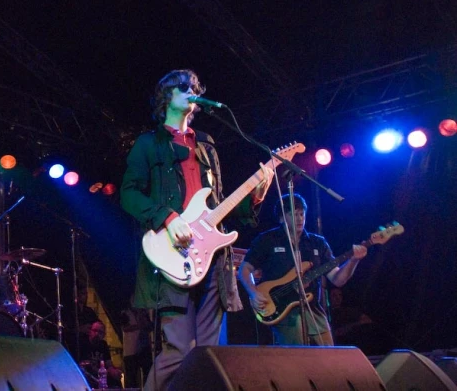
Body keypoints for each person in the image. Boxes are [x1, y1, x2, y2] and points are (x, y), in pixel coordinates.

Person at [121, 69, 272, 391]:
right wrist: (168, 218)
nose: (191, 91)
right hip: (171, 256)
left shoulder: (206, 145)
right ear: (166, 97)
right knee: (178, 351)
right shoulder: (148, 144)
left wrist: (255, 197)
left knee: (209, 353)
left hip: (212, 257)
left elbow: (217, 205)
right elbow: (130, 194)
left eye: (194, 87)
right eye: (183, 87)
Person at [239, 193, 367, 346]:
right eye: (294, 213)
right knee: (298, 356)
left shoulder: (317, 243)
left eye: (302, 214)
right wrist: (253, 292)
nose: (300, 218)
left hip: (313, 309)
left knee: (329, 357)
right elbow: (244, 269)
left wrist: (353, 261)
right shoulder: (267, 240)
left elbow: (338, 279)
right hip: (282, 309)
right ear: (282, 217)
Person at [78, 320, 123, 388]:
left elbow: (109, 364)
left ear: (104, 335)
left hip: (101, 375)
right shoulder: (84, 343)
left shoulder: (103, 345)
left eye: (100, 332)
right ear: (90, 331)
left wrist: (114, 372)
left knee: (116, 381)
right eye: (95, 330)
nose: (96, 334)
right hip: (89, 375)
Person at [121, 297, 153, 388]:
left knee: (147, 374)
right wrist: (139, 326)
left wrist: (142, 317)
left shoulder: (143, 313)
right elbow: (125, 328)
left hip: (143, 349)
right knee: (131, 378)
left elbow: (150, 327)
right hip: (130, 351)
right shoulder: (125, 313)